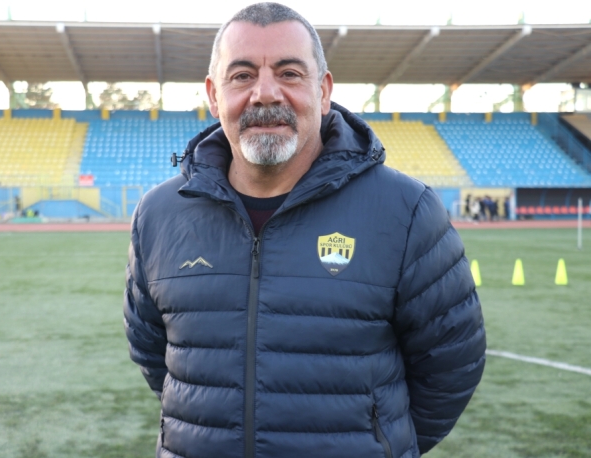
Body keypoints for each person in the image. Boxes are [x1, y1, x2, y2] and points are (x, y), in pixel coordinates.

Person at [123, 3, 486, 458]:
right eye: (242, 75)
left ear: (323, 90)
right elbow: (152, 351)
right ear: (214, 95)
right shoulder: (159, 212)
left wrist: (380, 442)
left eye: (289, 73)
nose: (265, 94)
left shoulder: (406, 209)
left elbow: (452, 363)